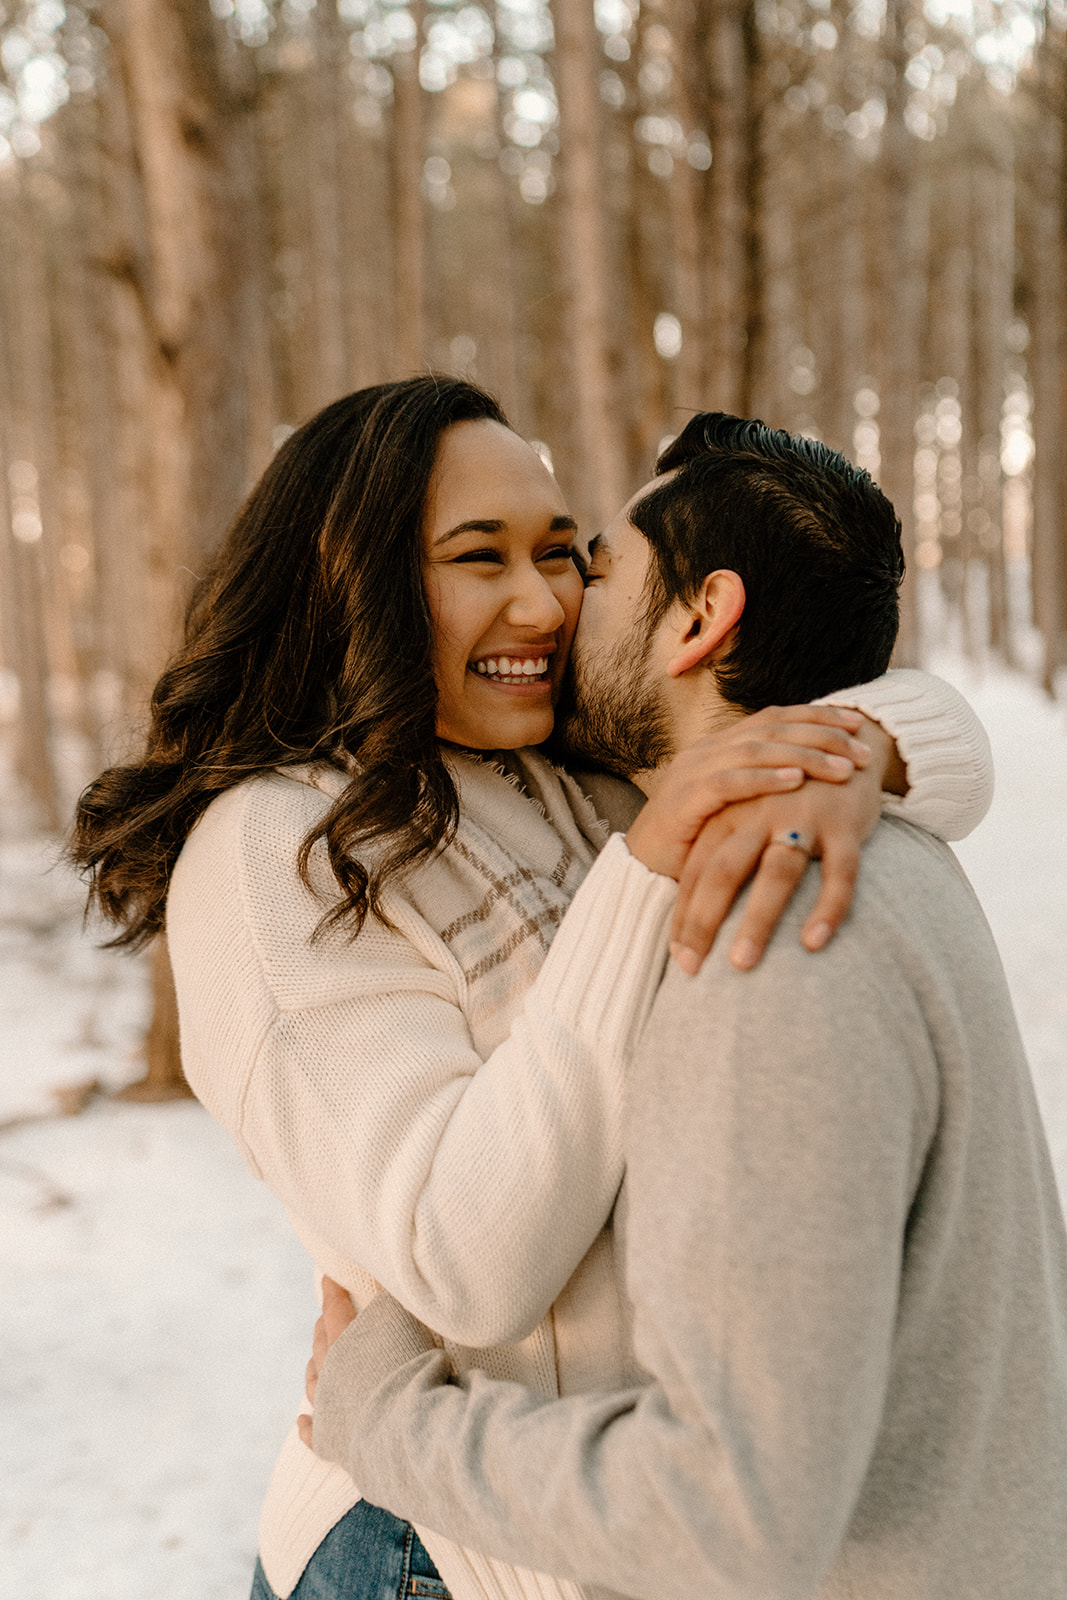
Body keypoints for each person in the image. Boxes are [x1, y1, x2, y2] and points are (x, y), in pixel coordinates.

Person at [71, 381, 993, 1600]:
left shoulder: (562, 763)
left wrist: (857, 745)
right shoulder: (272, 850)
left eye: (565, 556)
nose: (543, 601)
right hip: (432, 1558)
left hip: (622, 1529)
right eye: (478, 557)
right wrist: (642, 867)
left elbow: (943, 736)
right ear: (355, 578)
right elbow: (463, 1261)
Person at [304, 414, 1067, 1600]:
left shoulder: (757, 928)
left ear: (700, 618)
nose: (559, 609)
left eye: (597, 568)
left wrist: (380, 1411)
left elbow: (726, 1512)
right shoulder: (885, 847)